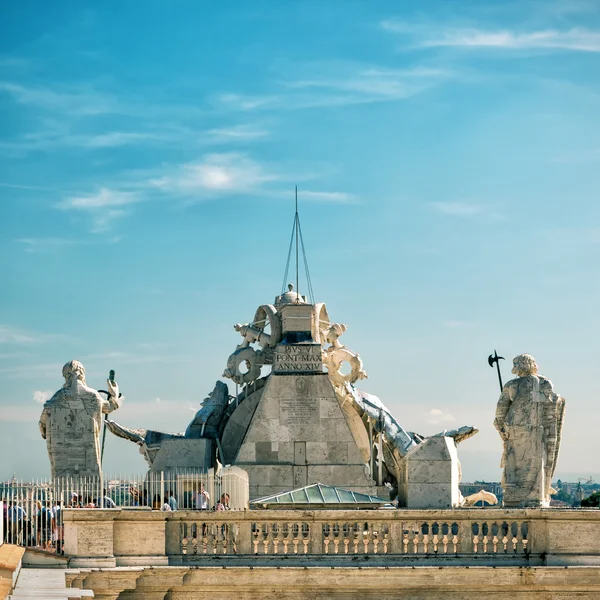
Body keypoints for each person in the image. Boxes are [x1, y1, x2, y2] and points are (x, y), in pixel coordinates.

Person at [494, 353, 566, 508]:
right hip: (531, 429)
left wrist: (501, 428)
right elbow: (552, 403)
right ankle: (529, 493)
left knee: (518, 461)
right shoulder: (542, 383)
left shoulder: (512, 385)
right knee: (529, 461)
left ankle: (520, 494)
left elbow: (500, 411)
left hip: (517, 428)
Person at [39, 360, 121, 479]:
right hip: (88, 454)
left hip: (62, 457)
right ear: (82, 373)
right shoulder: (93, 396)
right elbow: (110, 406)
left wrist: (44, 431)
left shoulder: (57, 398)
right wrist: (114, 394)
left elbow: (43, 422)